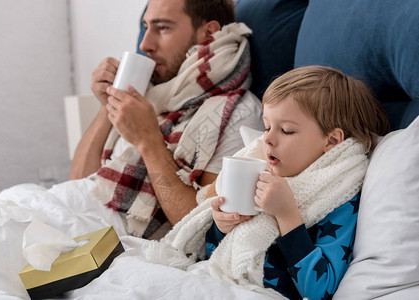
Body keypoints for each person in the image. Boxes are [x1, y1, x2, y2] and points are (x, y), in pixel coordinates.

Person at [143, 65, 390, 299]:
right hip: (217, 280)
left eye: (286, 131)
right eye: (267, 126)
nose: (267, 140)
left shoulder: (339, 195)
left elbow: (319, 291)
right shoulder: (264, 173)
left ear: (332, 141)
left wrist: (287, 214)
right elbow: (216, 257)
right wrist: (222, 228)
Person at [69, 0, 264, 239]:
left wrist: (149, 141)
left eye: (162, 28)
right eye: (145, 26)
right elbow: (77, 183)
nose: (145, 44)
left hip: (113, 241)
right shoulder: (148, 93)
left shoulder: (237, 114)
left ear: (209, 32)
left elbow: (202, 229)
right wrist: (107, 105)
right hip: (76, 221)